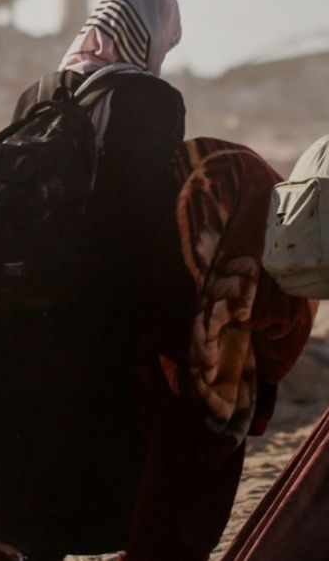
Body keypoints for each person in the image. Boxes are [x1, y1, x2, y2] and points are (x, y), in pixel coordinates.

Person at [0, 0, 194, 561]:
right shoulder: (151, 99)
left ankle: (4, 546)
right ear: (152, 35)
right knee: (66, 460)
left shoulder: (41, 89)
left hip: (3, 296)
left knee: (13, 453)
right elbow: (146, 213)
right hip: (84, 302)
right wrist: (176, 307)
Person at [125, 139, 315, 561]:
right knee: (193, 453)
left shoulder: (224, 200)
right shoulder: (240, 198)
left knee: (187, 449)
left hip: (204, 339)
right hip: (202, 338)